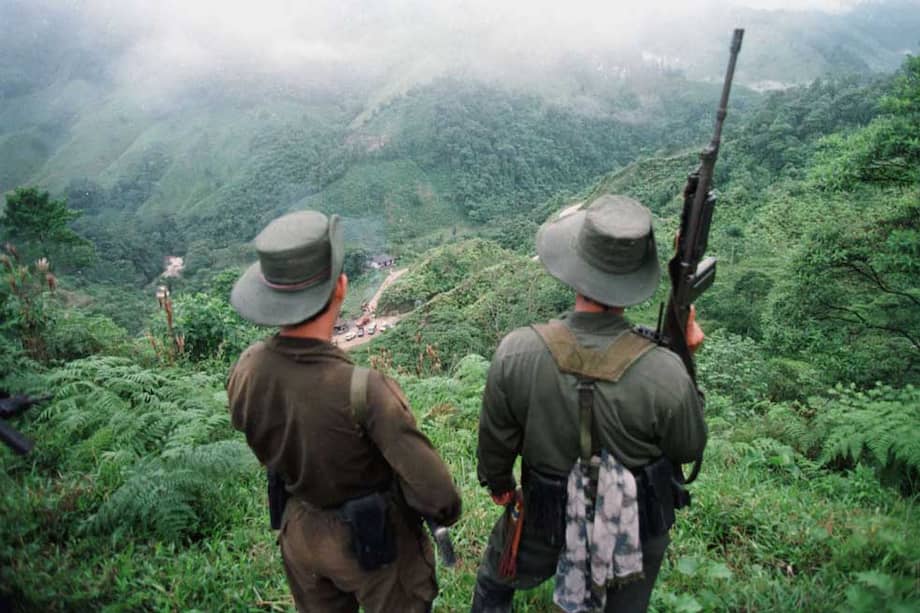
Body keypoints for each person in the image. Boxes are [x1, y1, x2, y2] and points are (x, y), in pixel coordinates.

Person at [472, 195, 707, 613]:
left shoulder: (517, 352)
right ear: (633, 281)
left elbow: (496, 441)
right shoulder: (665, 371)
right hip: (632, 521)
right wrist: (685, 361)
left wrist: (501, 485)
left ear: (576, 268)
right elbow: (688, 447)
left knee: (495, 576)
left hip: (545, 512)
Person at [226, 210, 461, 613]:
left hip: (300, 531)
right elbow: (438, 493)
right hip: (374, 541)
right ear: (340, 288)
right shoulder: (363, 389)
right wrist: (442, 513)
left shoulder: (247, 368)